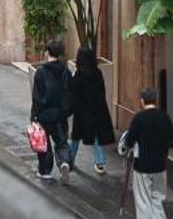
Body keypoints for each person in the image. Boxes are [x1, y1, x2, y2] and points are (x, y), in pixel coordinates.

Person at [118, 87, 173, 219]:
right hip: (160, 164)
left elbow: (129, 141)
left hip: (143, 165)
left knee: (143, 199)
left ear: (142, 101)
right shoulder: (165, 117)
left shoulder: (139, 118)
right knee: (158, 197)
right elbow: (171, 138)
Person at [62, 45, 116, 176]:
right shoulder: (97, 73)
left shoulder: (79, 75)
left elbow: (73, 92)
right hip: (96, 111)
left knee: (75, 137)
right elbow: (101, 92)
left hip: (81, 113)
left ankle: (69, 161)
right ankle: (100, 163)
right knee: (96, 136)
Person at [28, 40, 73, 181]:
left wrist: (34, 115)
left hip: (44, 114)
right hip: (60, 114)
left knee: (44, 143)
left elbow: (36, 96)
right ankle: (64, 162)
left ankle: (45, 171)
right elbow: (70, 93)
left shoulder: (41, 72)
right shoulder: (66, 72)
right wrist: (67, 111)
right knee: (61, 141)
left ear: (47, 52)